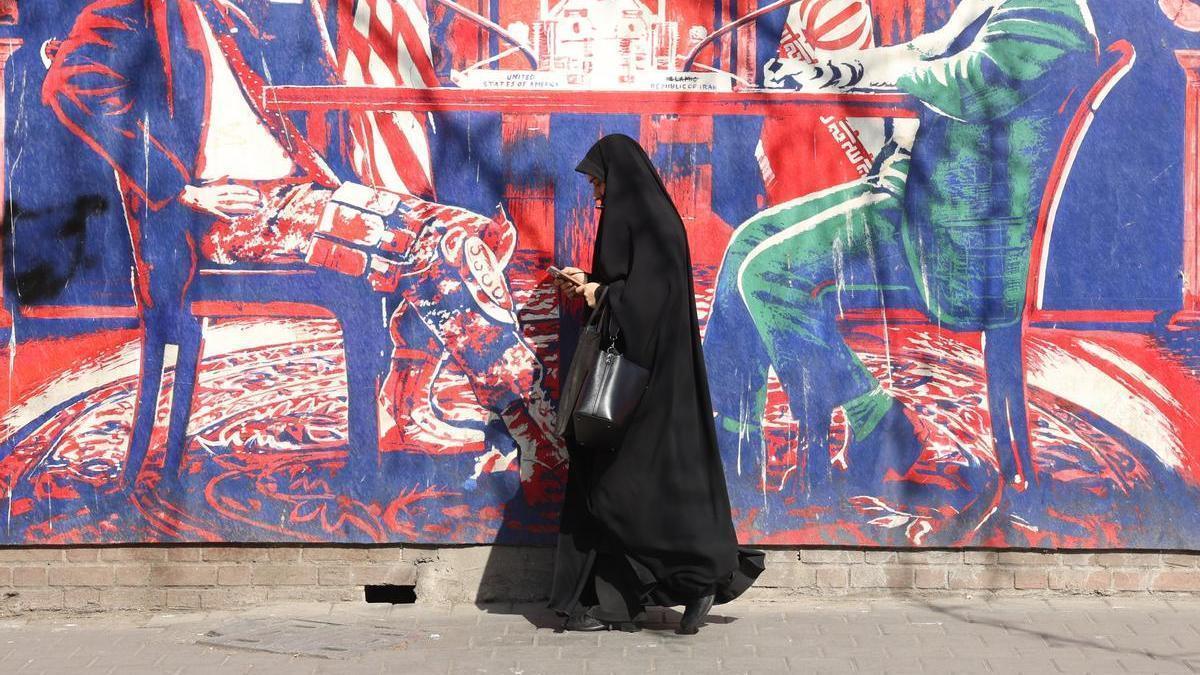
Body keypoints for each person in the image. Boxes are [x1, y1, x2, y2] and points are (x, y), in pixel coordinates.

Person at [42, 0, 564, 500]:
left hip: (295, 196)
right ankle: (520, 422)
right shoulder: (139, 7)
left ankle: (413, 396)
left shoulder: (234, 12)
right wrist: (183, 189)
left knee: (474, 234)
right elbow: (66, 83)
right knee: (443, 244)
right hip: (222, 218)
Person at [703, 0, 1099, 514]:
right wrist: (829, 70)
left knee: (765, 274)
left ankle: (869, 418)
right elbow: (920, 53)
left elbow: (968, 82)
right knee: (742, 248)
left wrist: (887, 73)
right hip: (911, 196)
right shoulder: (993, 5)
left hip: (951, 239)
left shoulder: (1048, 10)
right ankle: (736, 445)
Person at [548, 134, 765, 634]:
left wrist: (598, 289)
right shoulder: (649, 221)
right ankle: (598, 602)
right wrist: (591, 283)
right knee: (621, 485)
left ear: (621, 178)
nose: (598, 194)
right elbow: (634, 289)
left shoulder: (653, 226)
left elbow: (644, 305)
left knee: (622, 488)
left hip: (645, 385)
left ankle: (698, 577)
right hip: (645, 380)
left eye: (600, 182)